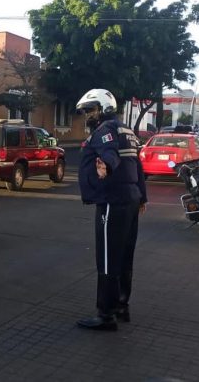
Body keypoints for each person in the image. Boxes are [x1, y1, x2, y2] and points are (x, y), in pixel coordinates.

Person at [76, 89, 148, 331]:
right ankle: (121, 306)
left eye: (90, 110)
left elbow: (111, 157)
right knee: (125, 257)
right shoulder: (126, 130)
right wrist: (143, 197)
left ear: (104, 108)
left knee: (107, 259)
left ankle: (105, 315)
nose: (87, 116)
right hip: (131, 200)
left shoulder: (104, 131)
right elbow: (137, 165)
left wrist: (106, 167)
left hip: (111, 201)